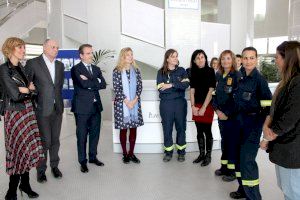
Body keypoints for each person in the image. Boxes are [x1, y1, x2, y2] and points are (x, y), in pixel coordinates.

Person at [0, 37, 44, 200]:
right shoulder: (4, 69)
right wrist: (27, 90)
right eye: (20, 48)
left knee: (26, 150)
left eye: (24, 48)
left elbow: (34, 90)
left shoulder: (22, 69)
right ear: (10, 49)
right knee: (17, 150)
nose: (23, 50)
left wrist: (27, 90)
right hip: (15, 113)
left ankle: (25, 184)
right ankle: (11, 191)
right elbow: (15, 95)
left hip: (28, 112)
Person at [230, 47, 272, 200]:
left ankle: (253, 197)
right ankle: (243, 189)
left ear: (256, 59)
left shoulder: (260, 80)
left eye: (251, 58)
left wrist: (265, 131)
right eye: (245, 58)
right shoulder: (240, 76)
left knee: (247, 161)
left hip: (252, 126)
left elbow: (269, 108)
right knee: (238, 159)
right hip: (238, 124)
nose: (248, 61)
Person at [260, 41, 300, 200]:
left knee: (293, 192)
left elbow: (290, 117)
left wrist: (271, 134)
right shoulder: (288, 82)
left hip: (292, 149)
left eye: (277, 57)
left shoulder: (297, 82)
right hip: (285, 147)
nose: (275, 61)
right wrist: (267, 127)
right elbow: (276, 110)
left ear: (287, 58)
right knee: (287, 188)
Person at [25, 39, 64, 183]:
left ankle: (55, 166)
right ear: (44, 47)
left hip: (57, 108)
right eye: (53, 47)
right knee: (44, 141)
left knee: (55, 140)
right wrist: (34, 98)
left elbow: (57, 88)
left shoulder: (59, 65)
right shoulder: (33, 63)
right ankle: (41, 170)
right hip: (41, 109)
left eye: (57, 47)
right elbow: (26, 85)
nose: (56, 49)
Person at [71, 44, 107, 173]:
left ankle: (93, 157)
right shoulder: (76, 69)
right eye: (87, 53)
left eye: (91, 53)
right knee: (81, 135)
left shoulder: (96, 69)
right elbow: (83, 84)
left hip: (96, 107)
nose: (91, 55)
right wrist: (94, 82)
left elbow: (103, 85)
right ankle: (82, 161)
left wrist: (90, 81)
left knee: (95, 134)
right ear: (81, 55)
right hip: (81, 108)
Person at [157, 49, 189, 162]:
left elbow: (186, 84)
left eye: (176, 56)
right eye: (173, 56)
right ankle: (168, 152)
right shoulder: (161, 72)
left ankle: (181, 152)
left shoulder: (182, 70)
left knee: (181, 127)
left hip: (180, 104)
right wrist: (177, 86)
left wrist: (171, 85)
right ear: (167, 59)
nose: (176, 58)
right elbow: (160, 89)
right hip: (166, 104)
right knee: (167, 128)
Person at [112, 47, 144, 164]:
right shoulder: (117, 71)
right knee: (123, 130)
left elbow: (140, 86)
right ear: (123, 57)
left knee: (133, 129)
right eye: (128, 55)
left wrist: (134, 100)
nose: (130, 57)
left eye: (131, 54)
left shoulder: (136, 70)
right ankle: (125, 154)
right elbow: (117, 88)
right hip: (122, 105)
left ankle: (131, 154)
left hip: (135, 104)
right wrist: (127, 101)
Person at [213, 50, 240, 182]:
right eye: (223, 59)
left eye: (228, 58)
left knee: (231, 142)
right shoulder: (219, 75)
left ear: (233, 60)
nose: (225, 61)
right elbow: (215, 95)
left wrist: (226, 113)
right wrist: (217, 110)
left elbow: (237, 99)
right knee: (224, 141)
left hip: (232, 117)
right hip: (220, 115)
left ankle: (232, 171)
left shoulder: (237, 76)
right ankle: (224, 167)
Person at [189, 49, 216, 166]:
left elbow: (211, 90)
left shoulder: (210, 71)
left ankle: (208, 156)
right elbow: (192, 90)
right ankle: (201, 154)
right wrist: (193, 106)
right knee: (199, 131)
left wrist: (204, 107)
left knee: (207, 131)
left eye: (202, 57)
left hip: (207, 105)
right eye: (198, 58)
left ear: (205, 58)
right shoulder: (193, 72)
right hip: (197, 105)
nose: (200, 60)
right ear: (194, 61)